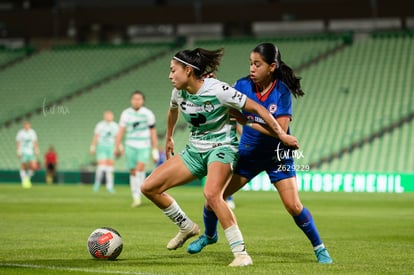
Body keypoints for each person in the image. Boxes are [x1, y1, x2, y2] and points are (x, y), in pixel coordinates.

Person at [140, 47, 298, 267]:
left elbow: (259, 109)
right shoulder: (178, 91)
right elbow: (173, 110)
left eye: (173, 70)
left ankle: (241, 254)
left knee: (212, 194)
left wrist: (281, 134)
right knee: (148, 187)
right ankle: (186, 227)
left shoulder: (219, 90)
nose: (169, 75)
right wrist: (169, 138)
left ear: (187, 70)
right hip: (195, 151)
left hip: (222, 148)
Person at [187, 43, 333, 264]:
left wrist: (248, 121)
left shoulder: (281, 92)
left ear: (272, 66)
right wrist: (209, 83)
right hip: (249, 154)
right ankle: (209, 236)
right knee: (214, 198)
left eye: (257, 64)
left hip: (278, 156)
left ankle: (320, 248)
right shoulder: (243, 85)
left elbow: (281, 131)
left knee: (293, 206)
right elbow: (223, 99)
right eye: (250, 63)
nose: (252, 68)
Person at [115, 91, 159, 207]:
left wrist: (155, 150)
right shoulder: (126, 114)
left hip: (144, 144)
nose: (136, 101)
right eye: (134, 99)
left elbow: (153, 132)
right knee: (133, 171)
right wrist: (117, 145)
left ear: (143, 101)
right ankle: (136, 197)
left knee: (140, 168)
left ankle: (142, 191)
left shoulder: (148, 114)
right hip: (130, 145)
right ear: (131, 100)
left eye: (139, 99)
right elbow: (121, 130)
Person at [90, 110, 119, 193]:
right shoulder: (100, 125)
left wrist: (119, 147)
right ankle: (97, 184)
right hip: (101, 147)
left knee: (110, 168)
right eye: (107, 115)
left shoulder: (115, 126)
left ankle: (110, 186)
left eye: (110, 115)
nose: (109, 117)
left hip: (111, 147)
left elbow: (117, 138)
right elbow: (96, 136)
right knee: (101, 166)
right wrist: (93, 147)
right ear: (104, 116)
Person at [16, 121, 40, 188]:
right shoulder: (20, 133)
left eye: (28, 125)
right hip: (23, 151)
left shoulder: (32, 132)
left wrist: (36, 150)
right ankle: (24, 181)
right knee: (23, 165)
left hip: (31, 152)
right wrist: (18, 151)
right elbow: (18, 142)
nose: (27, 126)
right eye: (26, 125)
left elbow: (35, 142)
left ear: (30, 125)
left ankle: (27, 179)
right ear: (24, 126)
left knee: (34, 166)